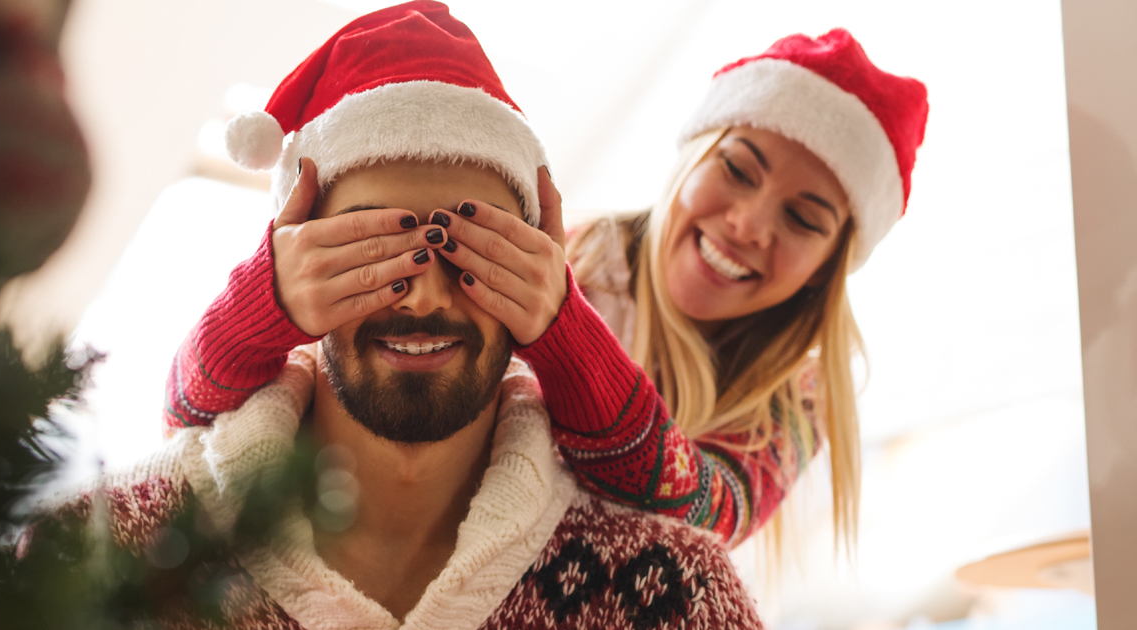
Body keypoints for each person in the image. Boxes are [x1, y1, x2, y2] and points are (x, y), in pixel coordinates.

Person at [50, 3, 762, 628]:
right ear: (293, 266)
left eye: (471, 251)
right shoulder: (97, 554)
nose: (423, 298)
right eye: (373, 249)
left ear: (535, 275)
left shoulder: (680, 599)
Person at [165, 22, 928, 551]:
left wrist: (563, 330)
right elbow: (189, 416)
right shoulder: (554, 254)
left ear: (835, 262)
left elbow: (696, 517)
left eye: (804, 218)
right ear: (689, 156)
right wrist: (266, 303)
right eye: (736, 168)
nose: (750, 224)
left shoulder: (796, 398)